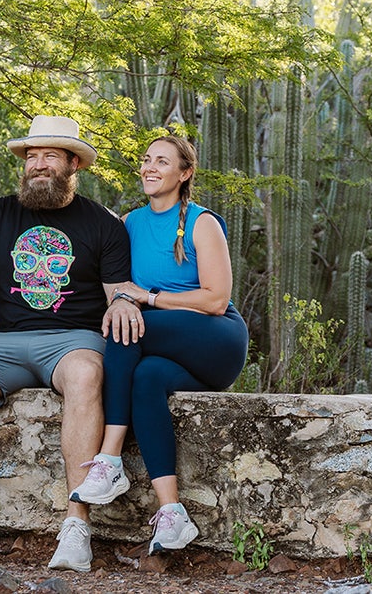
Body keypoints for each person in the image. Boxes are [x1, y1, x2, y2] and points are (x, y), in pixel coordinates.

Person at [0, 115, 144, 572]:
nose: (38, 164)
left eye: (50, 156)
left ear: (73, 164)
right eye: (31, 156)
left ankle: (76, 526)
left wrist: (122, 302)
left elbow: (117, 291)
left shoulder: (103, 223)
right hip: (8, 344)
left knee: (85, 373)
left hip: (73, 343)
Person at [69, 133, 249, 555]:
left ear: (185, 173)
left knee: (128, 323)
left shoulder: (203, 222)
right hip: (168, 354)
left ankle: (110, 457)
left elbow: (216, 300)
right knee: (146, 376)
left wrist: (148, 298)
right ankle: (172, 513)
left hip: (216, 339)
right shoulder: (130, 223)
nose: (150, 167)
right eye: (147, 159)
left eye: (162, 161)